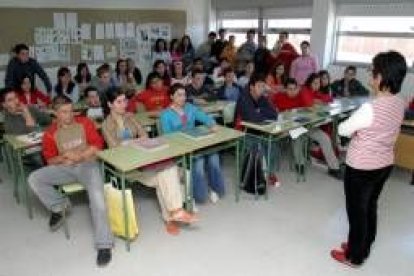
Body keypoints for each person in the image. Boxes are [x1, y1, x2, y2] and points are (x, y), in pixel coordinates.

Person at [330, 51, 408, 267]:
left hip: (361, 167)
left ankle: (354, 256)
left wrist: (355, 126)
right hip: (384, 164)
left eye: (373, 73)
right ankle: (363, 245)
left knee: (356, 212)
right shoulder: (400, 102)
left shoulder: (369, 108)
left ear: (381, 78)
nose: (370, 77)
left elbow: (344, 130)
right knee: (370, 206)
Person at [28, 95, 114, 266]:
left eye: (71, 110)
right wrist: (64, 157)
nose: (70, 115)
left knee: (97, 199)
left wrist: (80, 156)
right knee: (34, 178)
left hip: (88, 165)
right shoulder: (50, 133)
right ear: (55, 113)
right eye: (64, 112)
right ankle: (60, 205)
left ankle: (104, 244)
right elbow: (50, 159)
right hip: (65, 167)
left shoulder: (85, 122)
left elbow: (97, 146)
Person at [102, 88, 197, 235]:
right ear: (109, 104)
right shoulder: (106, 124)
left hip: (145, 159)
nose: (124, 105)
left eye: (125, 101)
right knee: (167, 173)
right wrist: (133, 142)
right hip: (128, 167)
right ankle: (174, 213)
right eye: (119, 102)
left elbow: (145, 135)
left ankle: (172, 216)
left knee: (165, 173)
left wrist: (130, 142)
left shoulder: (130, 117)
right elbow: (114, 147)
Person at [160, 84, 225, 204]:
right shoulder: (166, 114)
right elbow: (167, 137)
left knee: (214, 156)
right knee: (198, 161)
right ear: (171, 97)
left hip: (196, 144)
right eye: (179, 95)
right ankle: (200, 195)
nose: (183, 98)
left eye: (184, 95)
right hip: (181, 149)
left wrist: (212, 124)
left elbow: (204, 117)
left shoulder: (190, 107)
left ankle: (215, 189)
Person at [272, 78, 342, 179]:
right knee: (298, 137)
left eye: (294, 89)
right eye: (289, 89)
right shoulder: (279, 97)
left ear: (297, 89)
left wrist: (306, 95)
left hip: (306, 125)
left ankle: (334, 168)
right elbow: (273, 111)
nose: (292, 91)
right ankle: (299, 164)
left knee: (325, 138)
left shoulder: (301, 96)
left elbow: (310, 104)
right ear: (285, 89)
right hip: (288, 127)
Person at [235, 73, 280, 186]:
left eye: (263, 86)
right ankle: (261, 176)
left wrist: (259, 111)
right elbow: (253, 117)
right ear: (251, 87)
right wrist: (260, 113)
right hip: (243, 132)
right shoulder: (243, 98)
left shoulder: (262, 98)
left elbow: (274, 114)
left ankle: (268, 173)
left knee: (273, 146)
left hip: (259, 131)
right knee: (261, 149)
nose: (262, 89)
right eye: (259, 86)